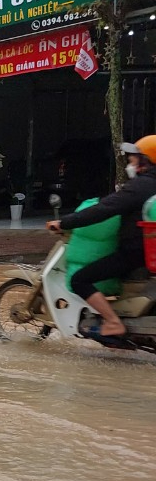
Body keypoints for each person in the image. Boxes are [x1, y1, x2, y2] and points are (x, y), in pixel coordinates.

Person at [47, 138, 156, 338]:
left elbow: (104, 209)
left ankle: (114, 322)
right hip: (146, 253)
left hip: (135, 252)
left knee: (80, 279)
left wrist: (65, 223)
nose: (131, 162)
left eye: (134, 158)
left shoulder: (142, 186)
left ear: (146, 160)